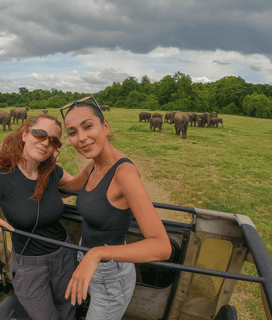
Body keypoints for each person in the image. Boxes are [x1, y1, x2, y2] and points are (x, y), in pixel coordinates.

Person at [0, 114, 92, 320]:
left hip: (64, 255)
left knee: (68, 308)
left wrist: (94, 163)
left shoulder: (51, 171)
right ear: (25, 134)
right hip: (29, 266)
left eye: (53, 140)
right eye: (39, 134)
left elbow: (72, 187)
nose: (45, 143)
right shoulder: (0, 175)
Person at [60, 96, 172, 320]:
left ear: (106, 126)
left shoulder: (124, 173)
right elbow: (66, 189)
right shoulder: (94, 165)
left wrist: (97, 254)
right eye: (72, 133)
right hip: (88, 260)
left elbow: (162, 247)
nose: (81, 138)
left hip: (111, 275)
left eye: (88, 126)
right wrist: (35, 165)